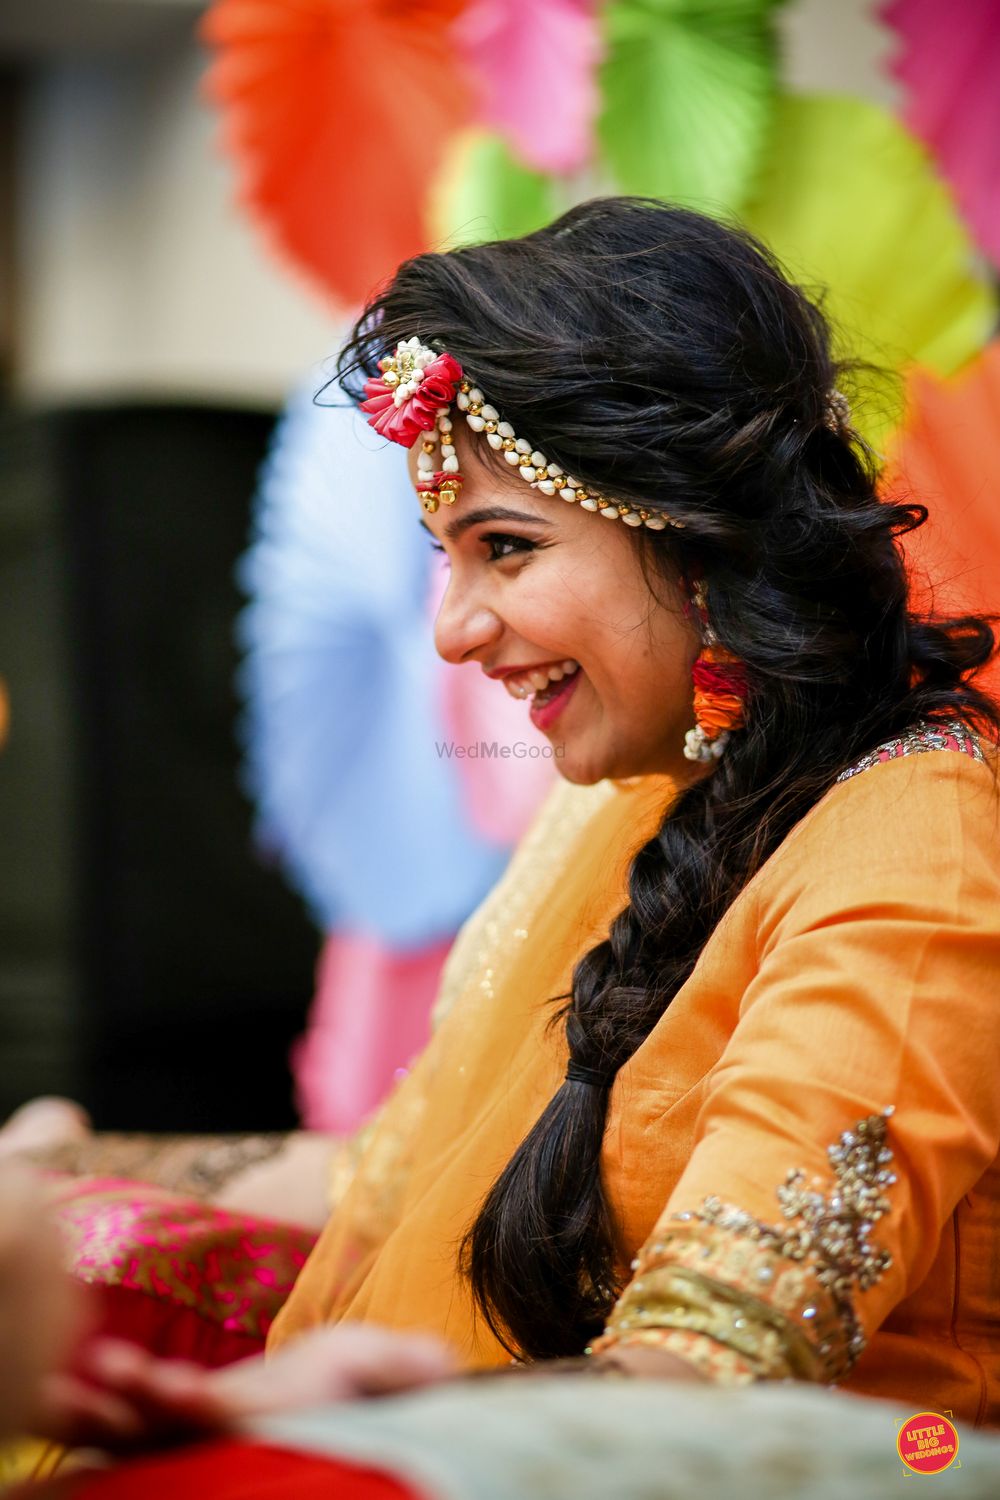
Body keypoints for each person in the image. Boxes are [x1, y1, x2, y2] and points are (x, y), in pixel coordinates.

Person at [6, 199, 1000, 1441]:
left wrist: (297, 1423)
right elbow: (393, 1178)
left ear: (700, 541)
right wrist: (72, 1166)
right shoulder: (639, 800)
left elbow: (719, 1359)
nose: (452, 629)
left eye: (507, 547)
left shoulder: (916, 850)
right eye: (445, 556)